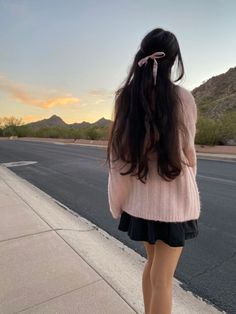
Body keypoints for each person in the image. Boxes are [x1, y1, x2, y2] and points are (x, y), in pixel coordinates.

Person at [106, 27, 201, 314]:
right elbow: (189, 153)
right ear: (174, 60)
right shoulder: (183, 99)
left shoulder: (126, 98)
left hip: (140, 206)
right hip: (172, 208)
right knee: (163, 279)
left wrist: (118, 204)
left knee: (152, 268)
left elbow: (117, 160)